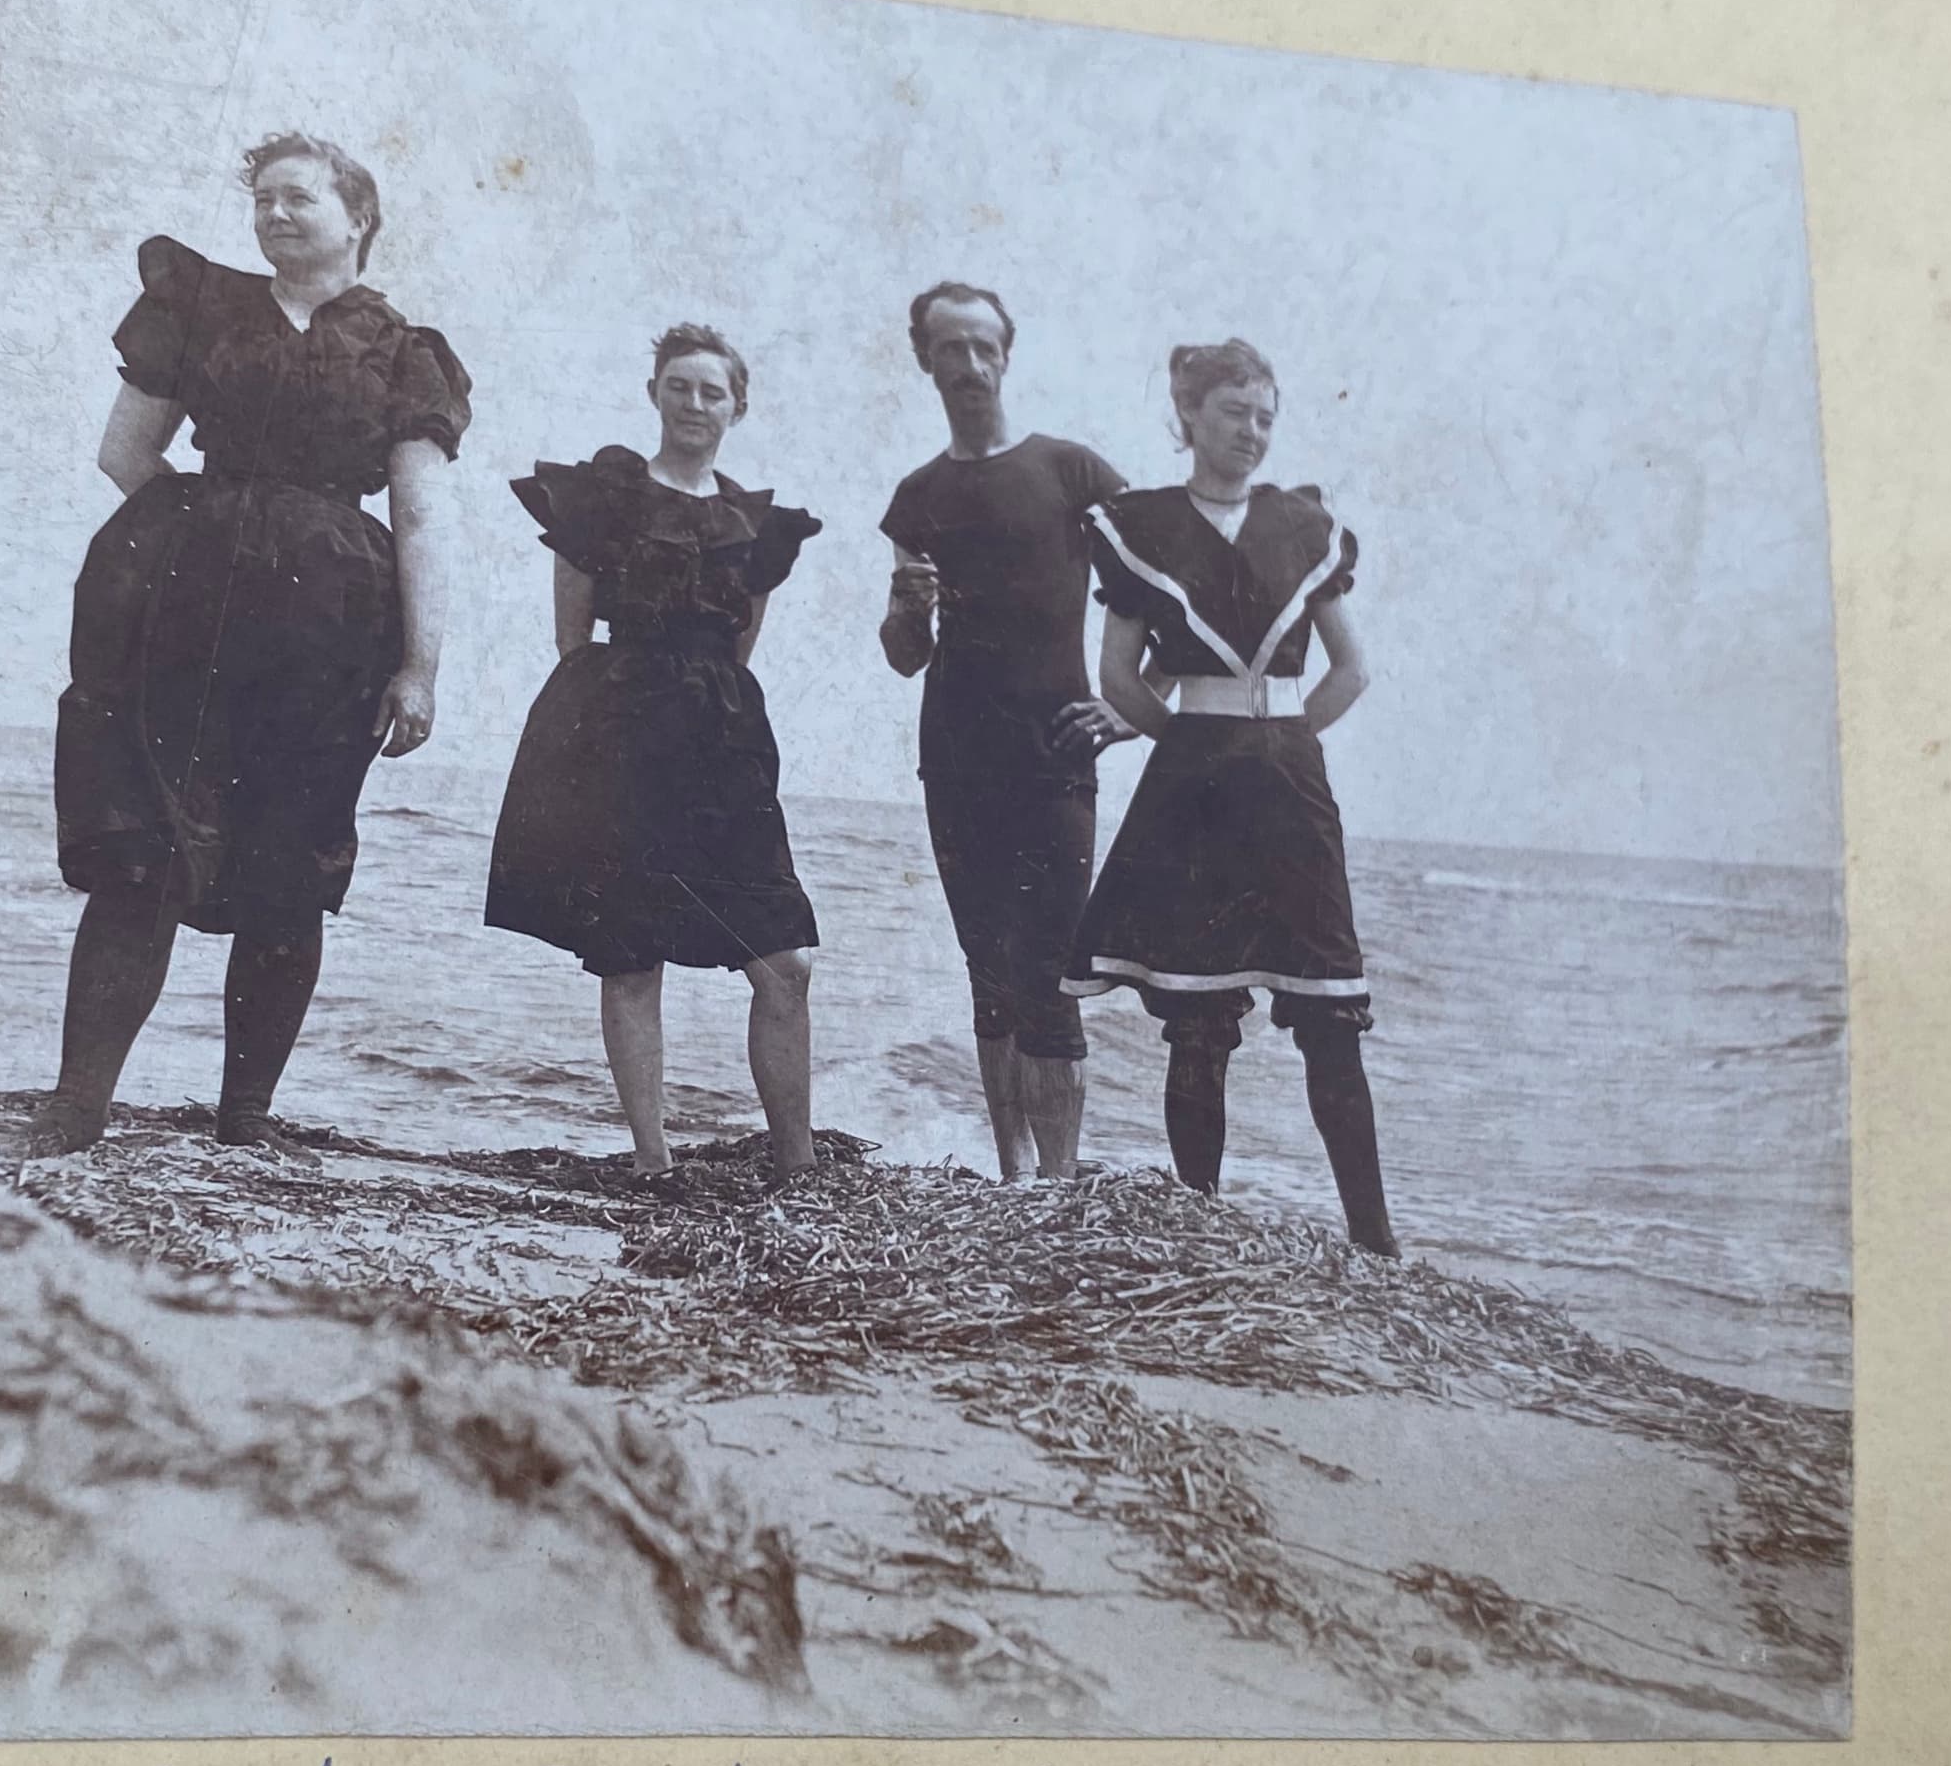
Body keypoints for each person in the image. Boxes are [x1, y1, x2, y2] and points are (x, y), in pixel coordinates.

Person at [27, 132, 469, 1157]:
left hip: (330, 632)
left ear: (357, 217)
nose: (273, 215)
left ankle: (245, 1120)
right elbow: (124, 449)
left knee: (288, 861)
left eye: (297, 199)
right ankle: (76, 1107)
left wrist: (420, 666)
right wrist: (209, 538)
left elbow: (421, 516)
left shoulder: (408, 354)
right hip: (176, 617)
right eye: (262, 200)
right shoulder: (200, 306)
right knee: (139, 845)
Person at [1064, 338, 1399, 1257]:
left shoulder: (1303, 526)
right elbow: (1119, 675)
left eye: (1264, 417)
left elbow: (1351, 669)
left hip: (1290, 778)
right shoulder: (1141, 524)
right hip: (1194, 778)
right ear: (1187, 416)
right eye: (1231, 413)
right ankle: (1199, 1226)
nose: (1250, 433)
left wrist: (1278, 741)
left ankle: (1376, 1243)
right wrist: (1195, 749)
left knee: (1330, 1010)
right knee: (1198, 1016)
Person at [485, 325, 825, 1180]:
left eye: (713, 392)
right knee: (632, 952)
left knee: (785, 960)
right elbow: (572, 638)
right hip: (620, 732)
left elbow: (739, 650)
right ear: (654, 394)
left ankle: (797, 1162)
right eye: (680, 386)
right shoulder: (604, 499)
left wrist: (704, 711)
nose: (695, 405)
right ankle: (651, 1157)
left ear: (737, 407)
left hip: (722, 740)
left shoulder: (757, 524)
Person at [878, 282, 1137, 1180]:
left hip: (1055, 756)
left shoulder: (1073, 473)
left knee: (1054, 973)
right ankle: (1013, 1177)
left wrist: (1131, 707)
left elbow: (1163, 593)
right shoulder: (919, 496)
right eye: (950, 347)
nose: (970, 364)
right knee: (987, 970)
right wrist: (908, 614)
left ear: (1008, 353)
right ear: (926, 360)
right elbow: (904, 653)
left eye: (984, 346)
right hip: (954, 755)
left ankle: (1060, 1188)